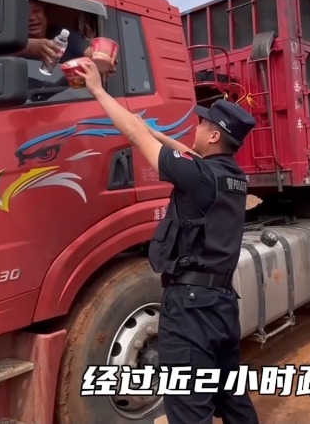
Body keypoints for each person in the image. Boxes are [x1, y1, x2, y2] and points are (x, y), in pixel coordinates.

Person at [76, 59, 260, 424]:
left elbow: (135, 138)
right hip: (222, 305)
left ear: (213, 137)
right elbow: (184, 153)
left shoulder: (201, 177)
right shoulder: (231, 177)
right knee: (233, 399)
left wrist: (98, 89)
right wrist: (152, 130)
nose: (196, 127)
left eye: (203, 124)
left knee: (189, 407)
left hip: (190, 311)